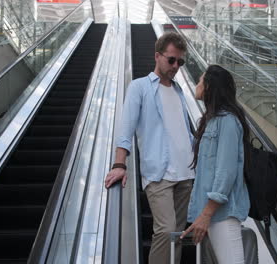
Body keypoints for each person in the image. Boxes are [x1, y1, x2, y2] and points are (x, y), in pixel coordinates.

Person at [104, 32, 194, 264]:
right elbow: (126, 128)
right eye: (171, 60)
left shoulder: (179, 91)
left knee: (177, 235)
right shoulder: (140, 87)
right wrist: (119, 163)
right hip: (159, 173)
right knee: (165, 230)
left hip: (187, 173)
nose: (176, 66)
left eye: (180, 62)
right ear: (157, 56)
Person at [181, 65, 250, 264]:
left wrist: (206, 214)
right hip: (213, 214)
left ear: (210, 86)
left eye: (201, 80)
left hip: (222, 214)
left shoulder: (227, 121)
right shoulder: (211, 121)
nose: (197, 84)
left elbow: (226, 172)